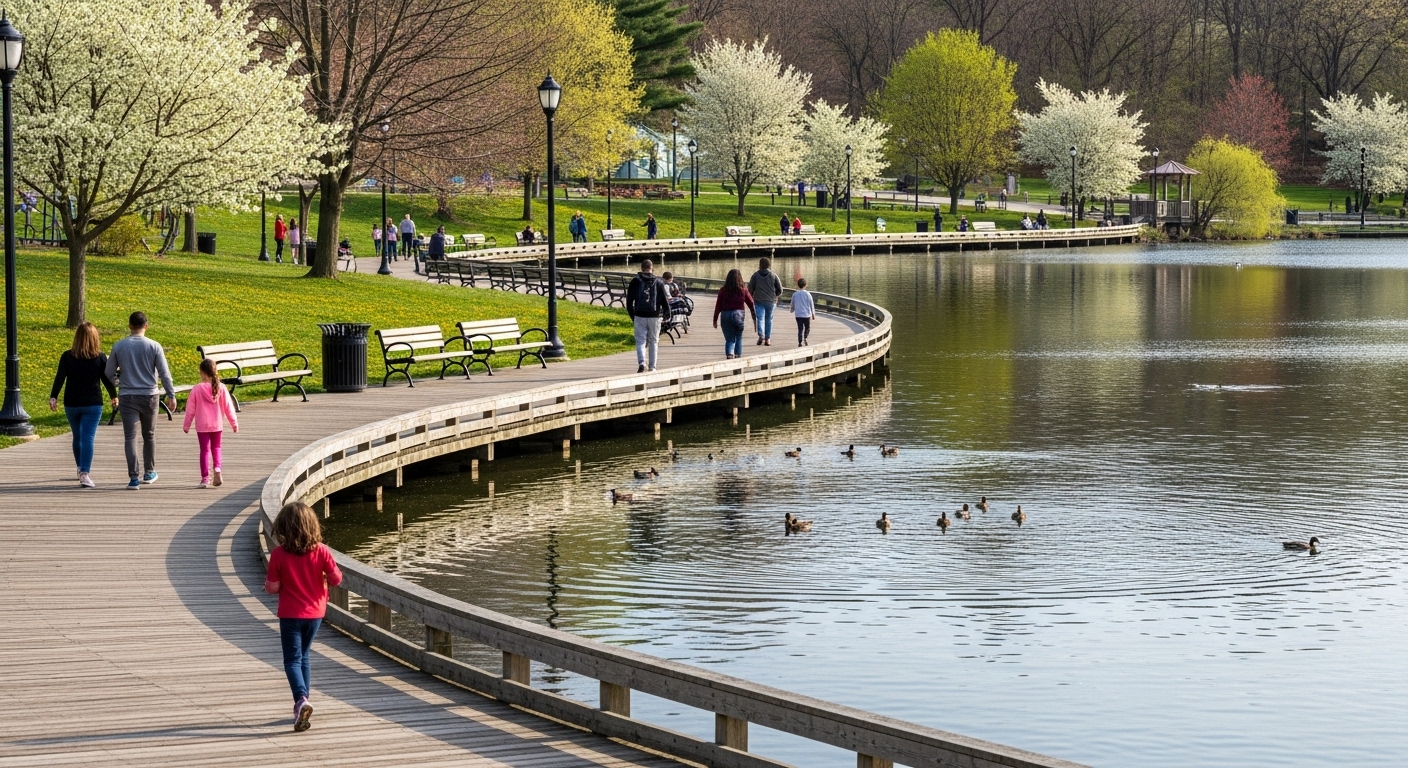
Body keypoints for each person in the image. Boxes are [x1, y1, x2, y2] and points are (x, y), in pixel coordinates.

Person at [265, 501, 343, 733]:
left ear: (283, 528)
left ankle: (301, 699)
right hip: (315, 614)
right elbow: (337, 579)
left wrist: (271, 585)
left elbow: (272, 587)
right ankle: (303, 703)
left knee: (292, 659)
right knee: (304, 656)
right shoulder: (322, 551)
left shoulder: (279, 554)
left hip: (291, 614)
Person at [106, 312, 176, 490]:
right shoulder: (154, 346)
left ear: (130, 326)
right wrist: (171, 394)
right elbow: (164, 373)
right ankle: (149, 472)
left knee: (130, 437)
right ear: (146, 326)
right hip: (149, 395)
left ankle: (133, 478)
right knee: (149, 434)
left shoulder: (119, 346)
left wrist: (117, 382)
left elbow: (108, 372)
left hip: (127, 395)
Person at [49, 321, 116, 488]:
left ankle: (80, 467)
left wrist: (54, 396)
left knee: (77, 437)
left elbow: (60, 377)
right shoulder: (100, 357)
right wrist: (113, 395)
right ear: (95, 338)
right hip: (93, 403)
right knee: (87, 437)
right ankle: (84, 473)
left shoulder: (67, 356)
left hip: (71, 403)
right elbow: (106, 380)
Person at [182, 358, 239, 489]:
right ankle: (217, 468)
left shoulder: (197, 389)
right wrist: (234, 423)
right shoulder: (221, 388)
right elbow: (229, 407)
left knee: (204, 451)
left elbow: (190, 409)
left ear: (202, 373)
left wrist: (186, 425)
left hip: (202, 426)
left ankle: (205, 479)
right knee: (216, 448)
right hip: (217, 425)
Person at [626, 259, 670, 373]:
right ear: (652, 268)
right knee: (653, 341)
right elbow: (664, 300)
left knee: (640, 340)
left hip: (639, 314)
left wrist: (633, 315)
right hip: (655, 315)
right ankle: (652, 367)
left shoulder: (635, 281)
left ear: (641, 268)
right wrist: (667, 313)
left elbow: (629, 301)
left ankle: (641, 362)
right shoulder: (659, 281)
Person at [712, 269, 754, 360]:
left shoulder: (723, 290)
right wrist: (754, 317)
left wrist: (715, 319)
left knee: (729, 338)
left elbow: (718, 305)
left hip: (726, 315)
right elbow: (751, 304)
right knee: (738, 336)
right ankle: (738, 355)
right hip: (739, 315)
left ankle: (730, 355)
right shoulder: (743, 289)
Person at [748, 257, 783, 346]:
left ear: (760, 265)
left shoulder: (755, 276)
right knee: (769, 319)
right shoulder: (773, 275)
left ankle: (761, 335)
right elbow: (780, 289)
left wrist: (752, 295)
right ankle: (768, 339)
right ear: (769, 265)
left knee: (760, 318)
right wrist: (775, 296)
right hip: (771, 301)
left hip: (758, 301)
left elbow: (750, 288)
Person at [791, 277, 815, 347]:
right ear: (805, 285)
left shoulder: (795, 294)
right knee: (807, 328)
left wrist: (792, 310)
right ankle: (805, 338)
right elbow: (811, 304)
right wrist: (813, 314)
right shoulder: (808, 294)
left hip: (798, 315)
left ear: (798, 285)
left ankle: (800, 342)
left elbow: (792, 303)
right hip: (806, 315)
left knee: (800, 329)